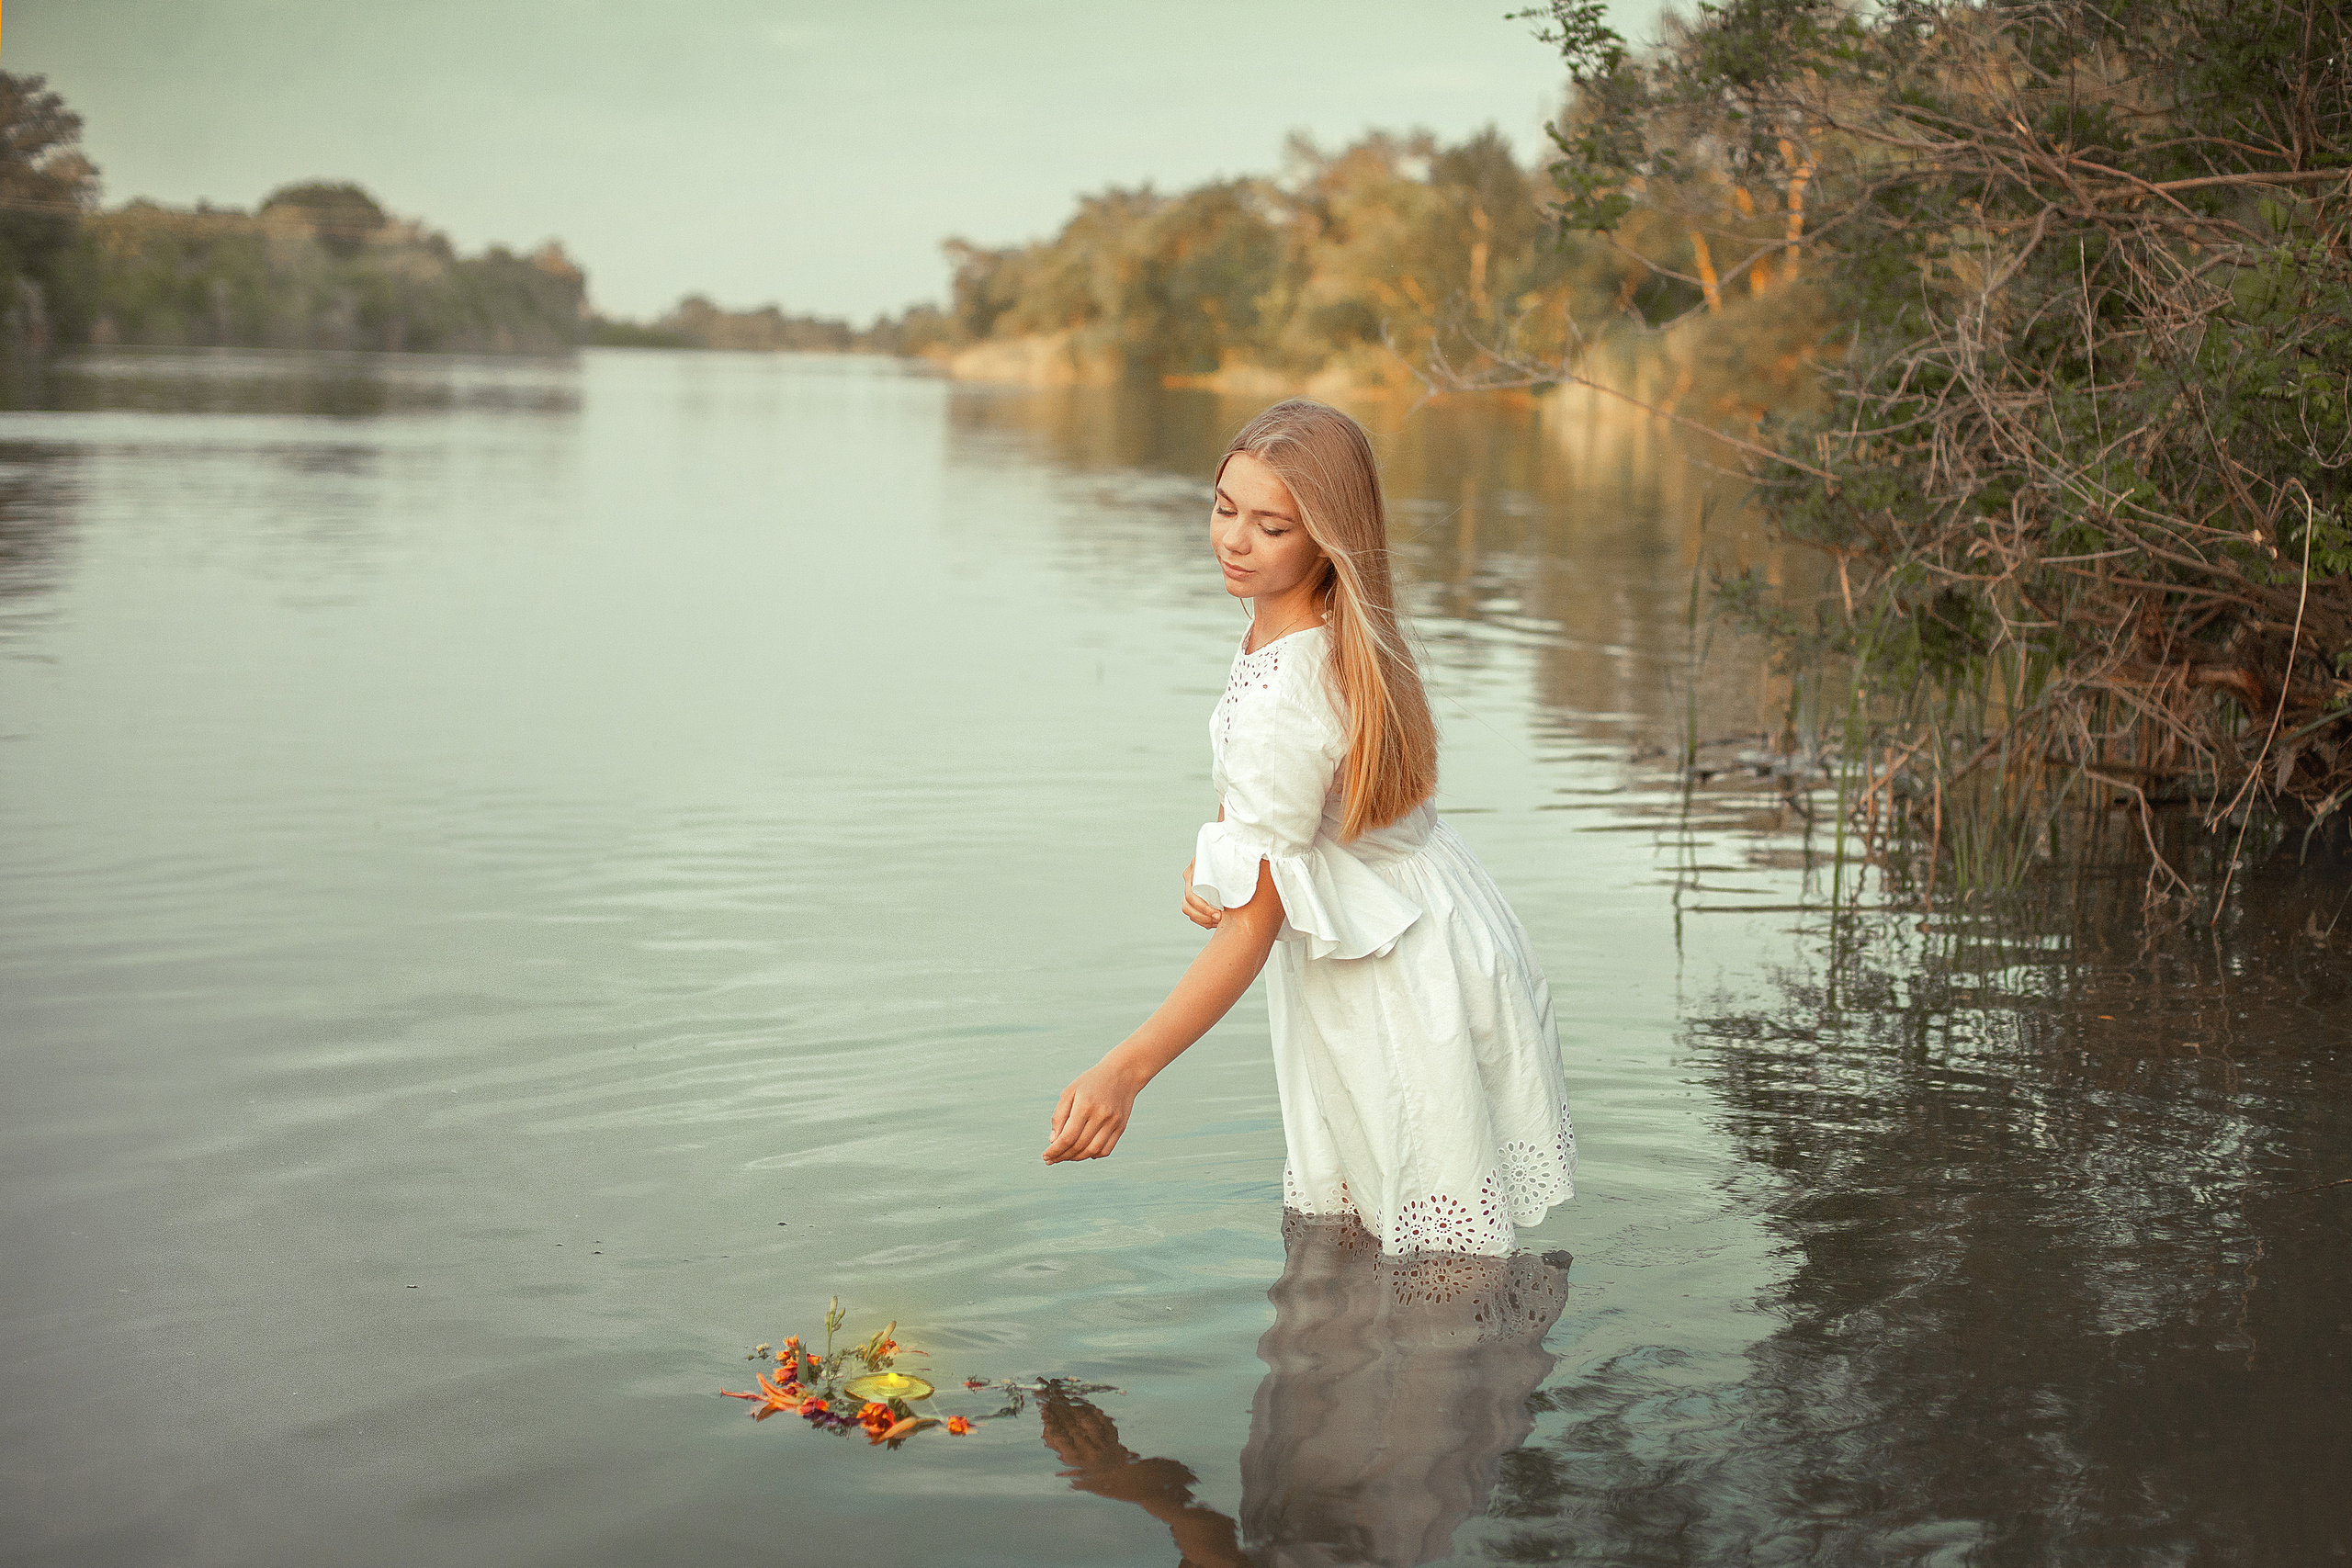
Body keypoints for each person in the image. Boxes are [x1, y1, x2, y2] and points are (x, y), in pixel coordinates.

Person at [1043, 399, 1575, 1259]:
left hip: (1389, 975)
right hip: (1438, 924)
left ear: (1327, 538)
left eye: (1271, 526)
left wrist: (1125, 1070)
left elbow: (1254, 924)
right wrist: (1223, 848)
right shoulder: (1329, 627)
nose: (1234, 542)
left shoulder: (1289, 681)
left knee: (1425, 1264)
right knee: (1413, 1249)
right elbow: (1294, 799)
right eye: (1224, 508)